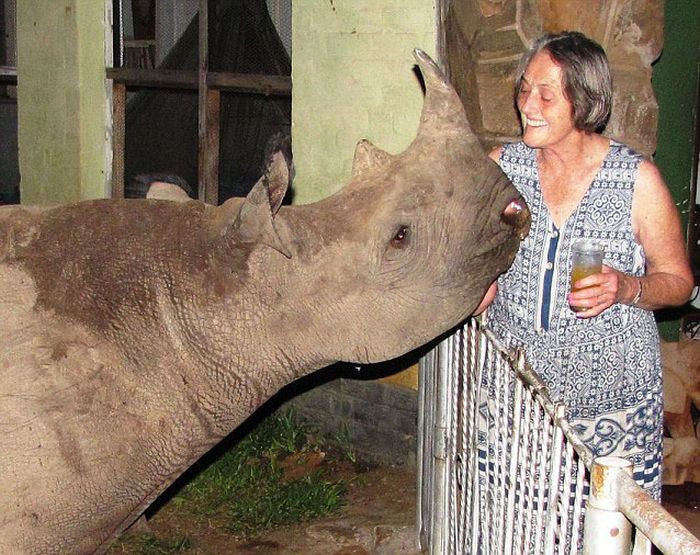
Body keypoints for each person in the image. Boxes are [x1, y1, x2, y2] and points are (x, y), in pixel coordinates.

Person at [484, 29, 693, 511]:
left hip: (610, 411)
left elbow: (680, 282)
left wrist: (628, 287)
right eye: (524, 88)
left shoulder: (635, 180)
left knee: (598, 533)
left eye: (545, 94)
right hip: (519, 403)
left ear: (583, 100)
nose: (526, 104)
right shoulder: (502, 169)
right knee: (514, 527)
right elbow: (481, 269)